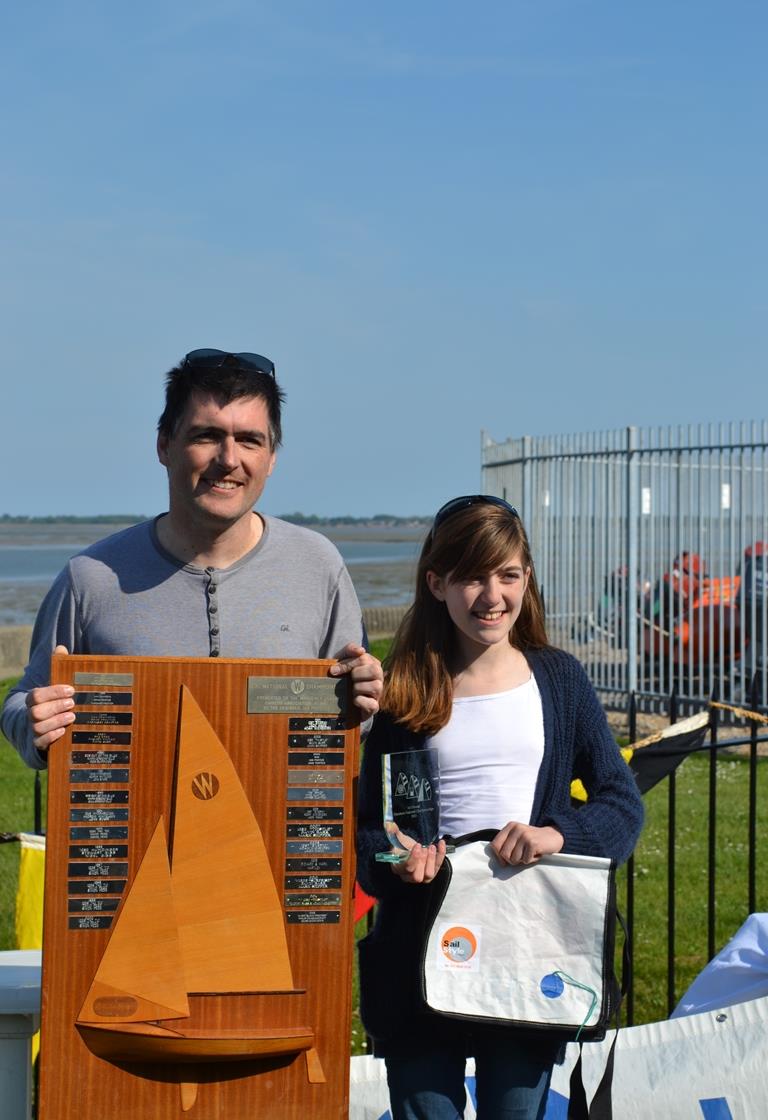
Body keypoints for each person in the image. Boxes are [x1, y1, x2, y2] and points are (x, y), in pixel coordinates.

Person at [356, 495, 644, 1120]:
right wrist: (395, 860)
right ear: (436, 583)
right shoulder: (404, 688)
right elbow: (368, 831)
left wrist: (557, 835)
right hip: (417, 952)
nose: (492, 595)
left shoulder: (560, 680)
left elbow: (622, 806)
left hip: (529, 951)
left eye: (507, 575)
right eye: (471, 577)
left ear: (527, 579)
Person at [1, 348, 382, 769]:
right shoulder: (90, 577)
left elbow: (347, 724)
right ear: (164, 445)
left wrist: (363, 703)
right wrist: (34, 723)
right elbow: (21, 701)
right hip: (132, 831)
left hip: (275, 830)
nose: (229, 460)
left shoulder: (318, 565)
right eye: (207, 436)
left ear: (271, 457)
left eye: (249, 440)